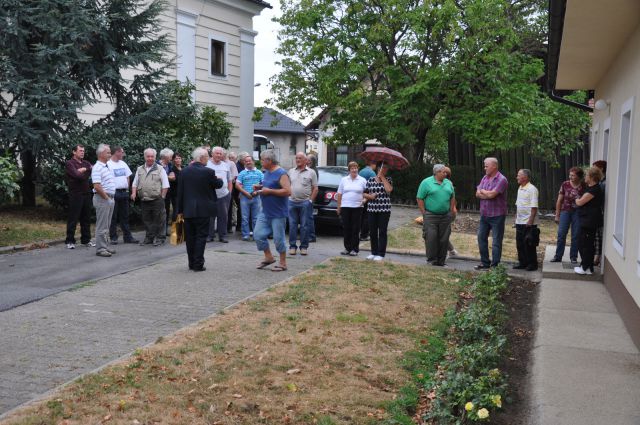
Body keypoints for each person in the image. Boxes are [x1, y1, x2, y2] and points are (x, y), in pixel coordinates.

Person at [177, 147, 223, 272]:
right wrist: (220, 179)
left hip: (188, 210)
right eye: (207, 157)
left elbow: (179, 193)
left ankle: (191, 263)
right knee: (201, 237)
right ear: (202, 158)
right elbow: (218, 185)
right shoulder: (208, 172)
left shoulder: (184, 172)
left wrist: (179, 211)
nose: (208, 159)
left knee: (190, 238)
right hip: (203, 210)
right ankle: (198, 264)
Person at [254, 150, 291, 271]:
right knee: (258, 234)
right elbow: (268, 185)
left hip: (278, 212)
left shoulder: (281, 173)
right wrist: (260, 187)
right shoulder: (267, 172)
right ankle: (269, 257)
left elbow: (287, 191)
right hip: (265, 211)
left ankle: (283, 263)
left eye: (262, 159)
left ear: (269, 161)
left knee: (278, 238)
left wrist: (269, 191)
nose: (261, 161)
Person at [416, 164, 457, 266]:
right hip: (430, 215)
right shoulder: (426, 182)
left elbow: (452, 197)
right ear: (437, 172)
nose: (446, 173)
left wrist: (451, 210)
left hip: (445, 216)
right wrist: (424, 213)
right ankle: (431, 260)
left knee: (444, 239)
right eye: (443, 172)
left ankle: (441, 262)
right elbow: (419, 198)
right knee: (431, 238)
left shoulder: (448, 183)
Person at [474, 157, 508, 270]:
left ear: (494, 166)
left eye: (486, 166)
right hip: (484, 214)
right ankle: (485, 263)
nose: (484, 168)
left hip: (497, 215)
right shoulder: (485, 177)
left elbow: (492, 195)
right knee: (481, 237)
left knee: (496, 241)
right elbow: (477, 194)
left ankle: (495, 266)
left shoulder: (502, 180)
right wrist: (486, 193)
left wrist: (484, 192)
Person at [131, 148, 170, 246]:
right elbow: (135, 183)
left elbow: (165, 185)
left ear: (155, 157)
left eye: (152, 156)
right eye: (148, 156)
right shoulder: (140, 169)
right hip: (144, 199)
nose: (150, 158)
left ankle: (160, 238)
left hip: (157, 199)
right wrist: (133, 193)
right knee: (146, 219)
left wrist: (162, 197)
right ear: (144, 157)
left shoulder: (160, 169)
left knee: (159, 219)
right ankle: (149, 237)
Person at [551, 167, 585, 263]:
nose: (570, 177)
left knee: (576, 235)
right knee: (561, 234)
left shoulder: (584, 185)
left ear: (579, 176)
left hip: (578, 213)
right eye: (570, 175)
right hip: (565, 211)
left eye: (573, 175)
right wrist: (557, 215)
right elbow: (559, 200)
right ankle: (558, 256)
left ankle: (573, 257)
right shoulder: (565, 184)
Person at [574, 166, 604, 275]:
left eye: (587, 175)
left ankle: (585, 267)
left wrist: (576, 198)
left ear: (591, 177)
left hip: (590, 221)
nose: (585, 177)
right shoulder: (591, 188)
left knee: (585, 244)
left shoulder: (594, 189)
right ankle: (587, 267)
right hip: (587, 220)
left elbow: (580, 202)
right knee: (585, 243)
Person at [288, 152, 318, 256]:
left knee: (305, 225)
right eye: (296, 158)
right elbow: (287, 185)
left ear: (306, 160)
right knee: (292, 225)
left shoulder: (311, 172)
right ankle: (292, 246)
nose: (298, 160)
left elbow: (315, 188)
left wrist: (310, 201)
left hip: (305, 202)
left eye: (300, 158)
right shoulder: (291, 171)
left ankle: (304, 247)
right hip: (292, 202)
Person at [64, 144, 94, 249]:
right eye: (80, 150)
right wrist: (83, 172)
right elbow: (76, 175)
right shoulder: (69, 163)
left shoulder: (85, 163)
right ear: (74, 152)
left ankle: (86, 240)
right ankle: (70, 241)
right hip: (75, 195)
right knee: (73, 218)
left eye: (83, 151)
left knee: (86, 218)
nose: (82, 152)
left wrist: (83, 171)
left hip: (86, 194)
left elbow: (92, 170)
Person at [108, 146, 138, 245]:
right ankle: (113, 237)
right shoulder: (108, 164)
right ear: (116, 152)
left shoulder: (123, 163)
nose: (123, 154)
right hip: (113, 192)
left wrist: (127, 189)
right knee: (113, 216)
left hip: (123, 192)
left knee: (125, 216)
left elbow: (128, 177)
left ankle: (127, 237)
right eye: (122, 152)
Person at [336, 161, 367, 256]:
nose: (354, 169)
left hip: (357, 207)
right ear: (349, 170)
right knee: (346, 228)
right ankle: (347, 248)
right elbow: (339, 194)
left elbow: (367, 193)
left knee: (355, 228)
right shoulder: (344, 180)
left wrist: (364, 200)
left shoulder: (362, 180)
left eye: (356, 168)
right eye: (352, 168)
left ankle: (354, 249)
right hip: (345, 206)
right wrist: (339, 207)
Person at [91, 144, 116, 257]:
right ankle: (101, 249)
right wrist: (107, 198)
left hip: (109, 198)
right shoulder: (97, 167)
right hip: (102, 198)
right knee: (102, 225)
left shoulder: (106, 166)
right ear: (101, 154)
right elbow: (97, 186)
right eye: (108, 152)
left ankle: (105, 246)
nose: (110, 154)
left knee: (107, 224)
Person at [364, 162, 392, 261]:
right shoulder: (371, 180)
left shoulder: (388, 179)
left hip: (384, 210)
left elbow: (389, 190)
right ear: (378, 168)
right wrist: (370, 196)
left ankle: (381, 253)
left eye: (386, 168)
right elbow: (364, 193)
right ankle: (373, 252)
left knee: (382, 231)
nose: (385, 169)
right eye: (383, 167)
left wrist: (382, 178)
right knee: (372, 231)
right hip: (372, 209)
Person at [513, 169, 539, 271]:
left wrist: (530, 220)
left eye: (519, 175)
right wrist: (516, 218)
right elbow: (518, 205)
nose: (517, 177)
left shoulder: (532, 189)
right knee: (519, 244)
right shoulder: (520, 188)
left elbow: (534, 206)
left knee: (529, 243)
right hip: (520, 221)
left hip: (529, 222)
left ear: (525, 177)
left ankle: (532, 264)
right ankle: (522, 263)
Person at [206, 147, 232, 243]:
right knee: (210, 216)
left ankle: (223, 236)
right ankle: (209, 235)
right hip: (210, 195)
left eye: (220, 154)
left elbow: (229, 180)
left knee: (223, 216)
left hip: (224, 195)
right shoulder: (207, 165)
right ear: (212, 154)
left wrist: (229, 192)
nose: (218, 155)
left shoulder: (226, 165)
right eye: (217, 153)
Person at [235, 155, 264, 241]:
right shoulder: (242, 173)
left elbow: (264, 184)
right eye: (246, 161)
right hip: (244, 197)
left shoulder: (259, 172)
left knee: (256, 218)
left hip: (257, 197)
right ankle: (245, 235)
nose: (248, 162)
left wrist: (257, 189)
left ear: (253, 162)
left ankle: (255, 235)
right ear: (244, 163)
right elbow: (237, 185)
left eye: (249, 161)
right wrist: (246, 193)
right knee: (244, 217)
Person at [592, 160, 607, 266]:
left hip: (600, 212)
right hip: (598, 212)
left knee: (599, 236)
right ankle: (596, 257)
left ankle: (598, 258)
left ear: (601, 169)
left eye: (594, 167)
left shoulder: (604, 183)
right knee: (597, 236)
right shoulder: (600, 182)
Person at [359, 160, 377, 241]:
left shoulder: (361, 171)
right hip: (368, 196)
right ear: (372, 164)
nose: (376, 167)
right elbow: (375, 186)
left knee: (362, 216)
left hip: (360, 195)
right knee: (367, 217)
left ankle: (360, 233)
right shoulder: (372, 173)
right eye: (375, 165)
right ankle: (364, 235)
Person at [443, 166, 459, 257]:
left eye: (444, 172)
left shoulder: (447, 183)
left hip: (448, 211)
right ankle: (452, 250)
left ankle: (446, 252)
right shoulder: (448, 183)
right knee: (442, 232)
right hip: (451, 211)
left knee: (442, 232)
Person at [159, 148, 174, 236]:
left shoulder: (169, 165)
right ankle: (159, 230)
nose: (171, 158)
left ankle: (164, 230)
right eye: (171, 156)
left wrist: (168, 176)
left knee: (167, 210)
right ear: (166, 156)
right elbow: (160, 177)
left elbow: (173, 176)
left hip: (168, 191)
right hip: (159, 191)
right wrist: (168, 177)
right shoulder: (157, 164)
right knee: (159, 211)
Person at [226, 151, 240, 233]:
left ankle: (230, 226)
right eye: (230, 158)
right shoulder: (228, 163)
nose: (232, 160)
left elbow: (235, 176)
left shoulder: (232, 164)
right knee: (230, 207)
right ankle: (229, 225)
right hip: (229, 186)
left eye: (233, 158)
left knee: (231, 207)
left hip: (232, 187)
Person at [306, 154, 318, 242]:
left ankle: (312, 236)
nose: (306, 160)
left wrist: (310, 199)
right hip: (307, 196)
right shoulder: (309, 169)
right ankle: (307, 234)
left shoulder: (313, 171)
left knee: (309, 217)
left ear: (311, 161)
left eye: (308, 159)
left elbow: (314, 186)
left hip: (309, 197)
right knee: (306, 217)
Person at [169, 152, 183, 223]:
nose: (178, 160)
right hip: (175, 193)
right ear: (173, 160)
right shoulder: (172, 169)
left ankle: (181, 229)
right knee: (176, 210)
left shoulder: (183, 168)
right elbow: (174, 180)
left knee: (182, 211)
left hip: (183, 193)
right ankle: (174, 230)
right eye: (176, 158)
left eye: (179, 158)